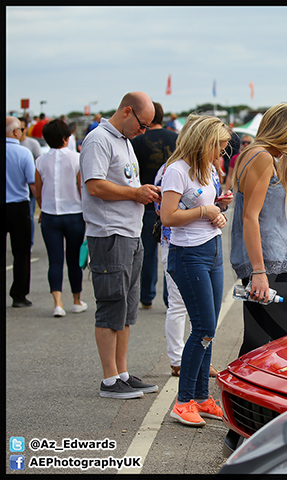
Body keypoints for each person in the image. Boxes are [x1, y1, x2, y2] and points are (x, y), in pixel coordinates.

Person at [80, 91, 160, 400]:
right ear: (127, 112)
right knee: (111, 305)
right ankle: (110, 379)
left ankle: (122, 372)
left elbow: (125, 184)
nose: (144, 131)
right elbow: (95, 185)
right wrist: (134, 194)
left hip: (129, 232)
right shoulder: (99, 139)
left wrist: (142, 191)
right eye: (143, 124)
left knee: (126, 308)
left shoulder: (124, 141)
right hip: (109, 234)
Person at [160, 115, 231, 426]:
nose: (223, 154)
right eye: (219, 147)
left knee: (209, 327)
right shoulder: (176, 171)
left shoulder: (208, 170)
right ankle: (184, 400)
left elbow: (206, 208)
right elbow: (168, 216)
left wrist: (218, 212)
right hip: (189, 255)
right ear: (204, 143)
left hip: (211, 249)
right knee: (203, 328)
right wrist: (206, 210)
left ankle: (201, 397)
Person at [229, 103, 287, 357]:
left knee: (258, 341)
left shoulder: (255, 154)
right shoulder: (262, 157)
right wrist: (259, 272)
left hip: (266, 260)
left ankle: (243, 393)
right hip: (268, 262)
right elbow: (250, 217)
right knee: (286, 343)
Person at [34, 119, 88, 317]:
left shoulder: (40, 160)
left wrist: (42, 207)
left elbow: (37, 191)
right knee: (74, 260)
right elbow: (81, 188)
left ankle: (57, 303)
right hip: (73, 214)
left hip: (49, 215)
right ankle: (76, 300)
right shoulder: (76, 158)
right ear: (67, 138)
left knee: (54, 260)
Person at [131, 101, 179, 310]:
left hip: (147, 202)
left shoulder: (138, 141)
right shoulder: (176, 138)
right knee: (171, 254)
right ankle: (170, 298)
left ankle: (146, 295)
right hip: (174, 204)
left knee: (148, 253)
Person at [6, 116, 37, 308]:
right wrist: (41, 203)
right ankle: (19, 295)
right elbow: (32, 183)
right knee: (21, 253)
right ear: (16, 132)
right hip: (18, 207)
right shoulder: (23, 153)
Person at [19, 118, 43, 250]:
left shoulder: (31, 143)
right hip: (16, 185)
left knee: (29, 215)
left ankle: (30, 243)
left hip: (29, 184)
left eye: (23, 129)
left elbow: (39, 162)